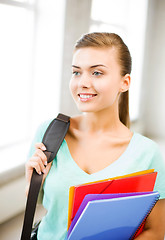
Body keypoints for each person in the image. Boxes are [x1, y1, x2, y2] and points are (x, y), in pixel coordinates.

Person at [26, 32, 165, 240]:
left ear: (124, 82)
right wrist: (33, 180)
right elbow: (41, 205)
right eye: (76, 72)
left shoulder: (147, 153)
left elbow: (156, 231)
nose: (82, 83)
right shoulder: (49, 132)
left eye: (97, 73)